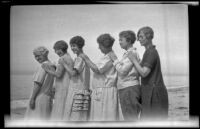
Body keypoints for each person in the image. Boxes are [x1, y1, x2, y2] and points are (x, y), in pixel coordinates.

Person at [127, 26, 168, 120]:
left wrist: (133, 59)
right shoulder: (148, 52)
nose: (138, 39)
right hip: (150, 92)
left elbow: (144, 73)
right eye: (138, 37)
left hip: (155, 94)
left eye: (141, 36)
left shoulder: (151, 52)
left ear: (148, 36)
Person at [79, 34, 119, 121]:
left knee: (103, 116)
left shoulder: (110, 57)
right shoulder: (108, 56)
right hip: (102, 90)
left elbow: (98, 70)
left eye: (100, 45)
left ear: (105, 45)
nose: (99, 48)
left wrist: (86, 58)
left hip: (105, 91)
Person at [108, 30, 141, 121]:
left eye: (121, 40)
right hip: (129, 88)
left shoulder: (131, 53)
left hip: (128, 89)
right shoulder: (129, 53)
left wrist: (115, 59)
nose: (119, 42)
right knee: (131, 118)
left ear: (129, 40)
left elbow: (122, 71)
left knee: (130, 118)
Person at [61, 36, 91, 121]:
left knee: (75, 117)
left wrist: (64, 64)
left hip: (77, 91)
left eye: (74, 45)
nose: (72, 48)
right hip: (82, 90)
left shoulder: (80, 58)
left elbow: (73, 73)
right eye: (71, 46)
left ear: (80, 45)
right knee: (81, 117)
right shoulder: (84, 57)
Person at [41, 40, 74, 120]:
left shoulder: (62, 58)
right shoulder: (69, 57)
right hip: (68, 85)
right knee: (64, 107)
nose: (55, 52)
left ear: (59, 49)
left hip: (62, 87)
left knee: (59, 107)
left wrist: (47, 69)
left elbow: (58, 74)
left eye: (56, 50)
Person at [25, 46, 55, 120]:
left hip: (39, 97)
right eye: (35, 56)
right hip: (47, 98)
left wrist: (32, 99)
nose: (37, 58)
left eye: (38, 56)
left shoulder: (42, 66)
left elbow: (38, 83)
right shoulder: (52, 65)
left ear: (44, 54)